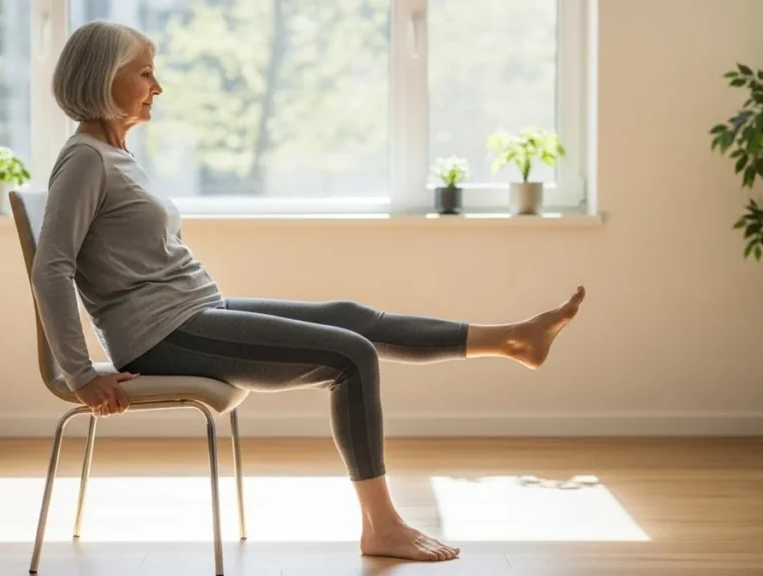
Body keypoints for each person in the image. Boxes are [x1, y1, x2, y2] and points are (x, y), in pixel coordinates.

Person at [31, 21, 586, 563]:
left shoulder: (115, 155)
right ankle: (382, 526)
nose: (158, 87)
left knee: (350, 318)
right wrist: (81, 373)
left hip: (193, 312)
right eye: (146, 73)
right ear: (104, 78)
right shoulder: (84, 160)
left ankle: (512, 339)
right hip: (162, 335)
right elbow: (50, 267)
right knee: (351, 356)